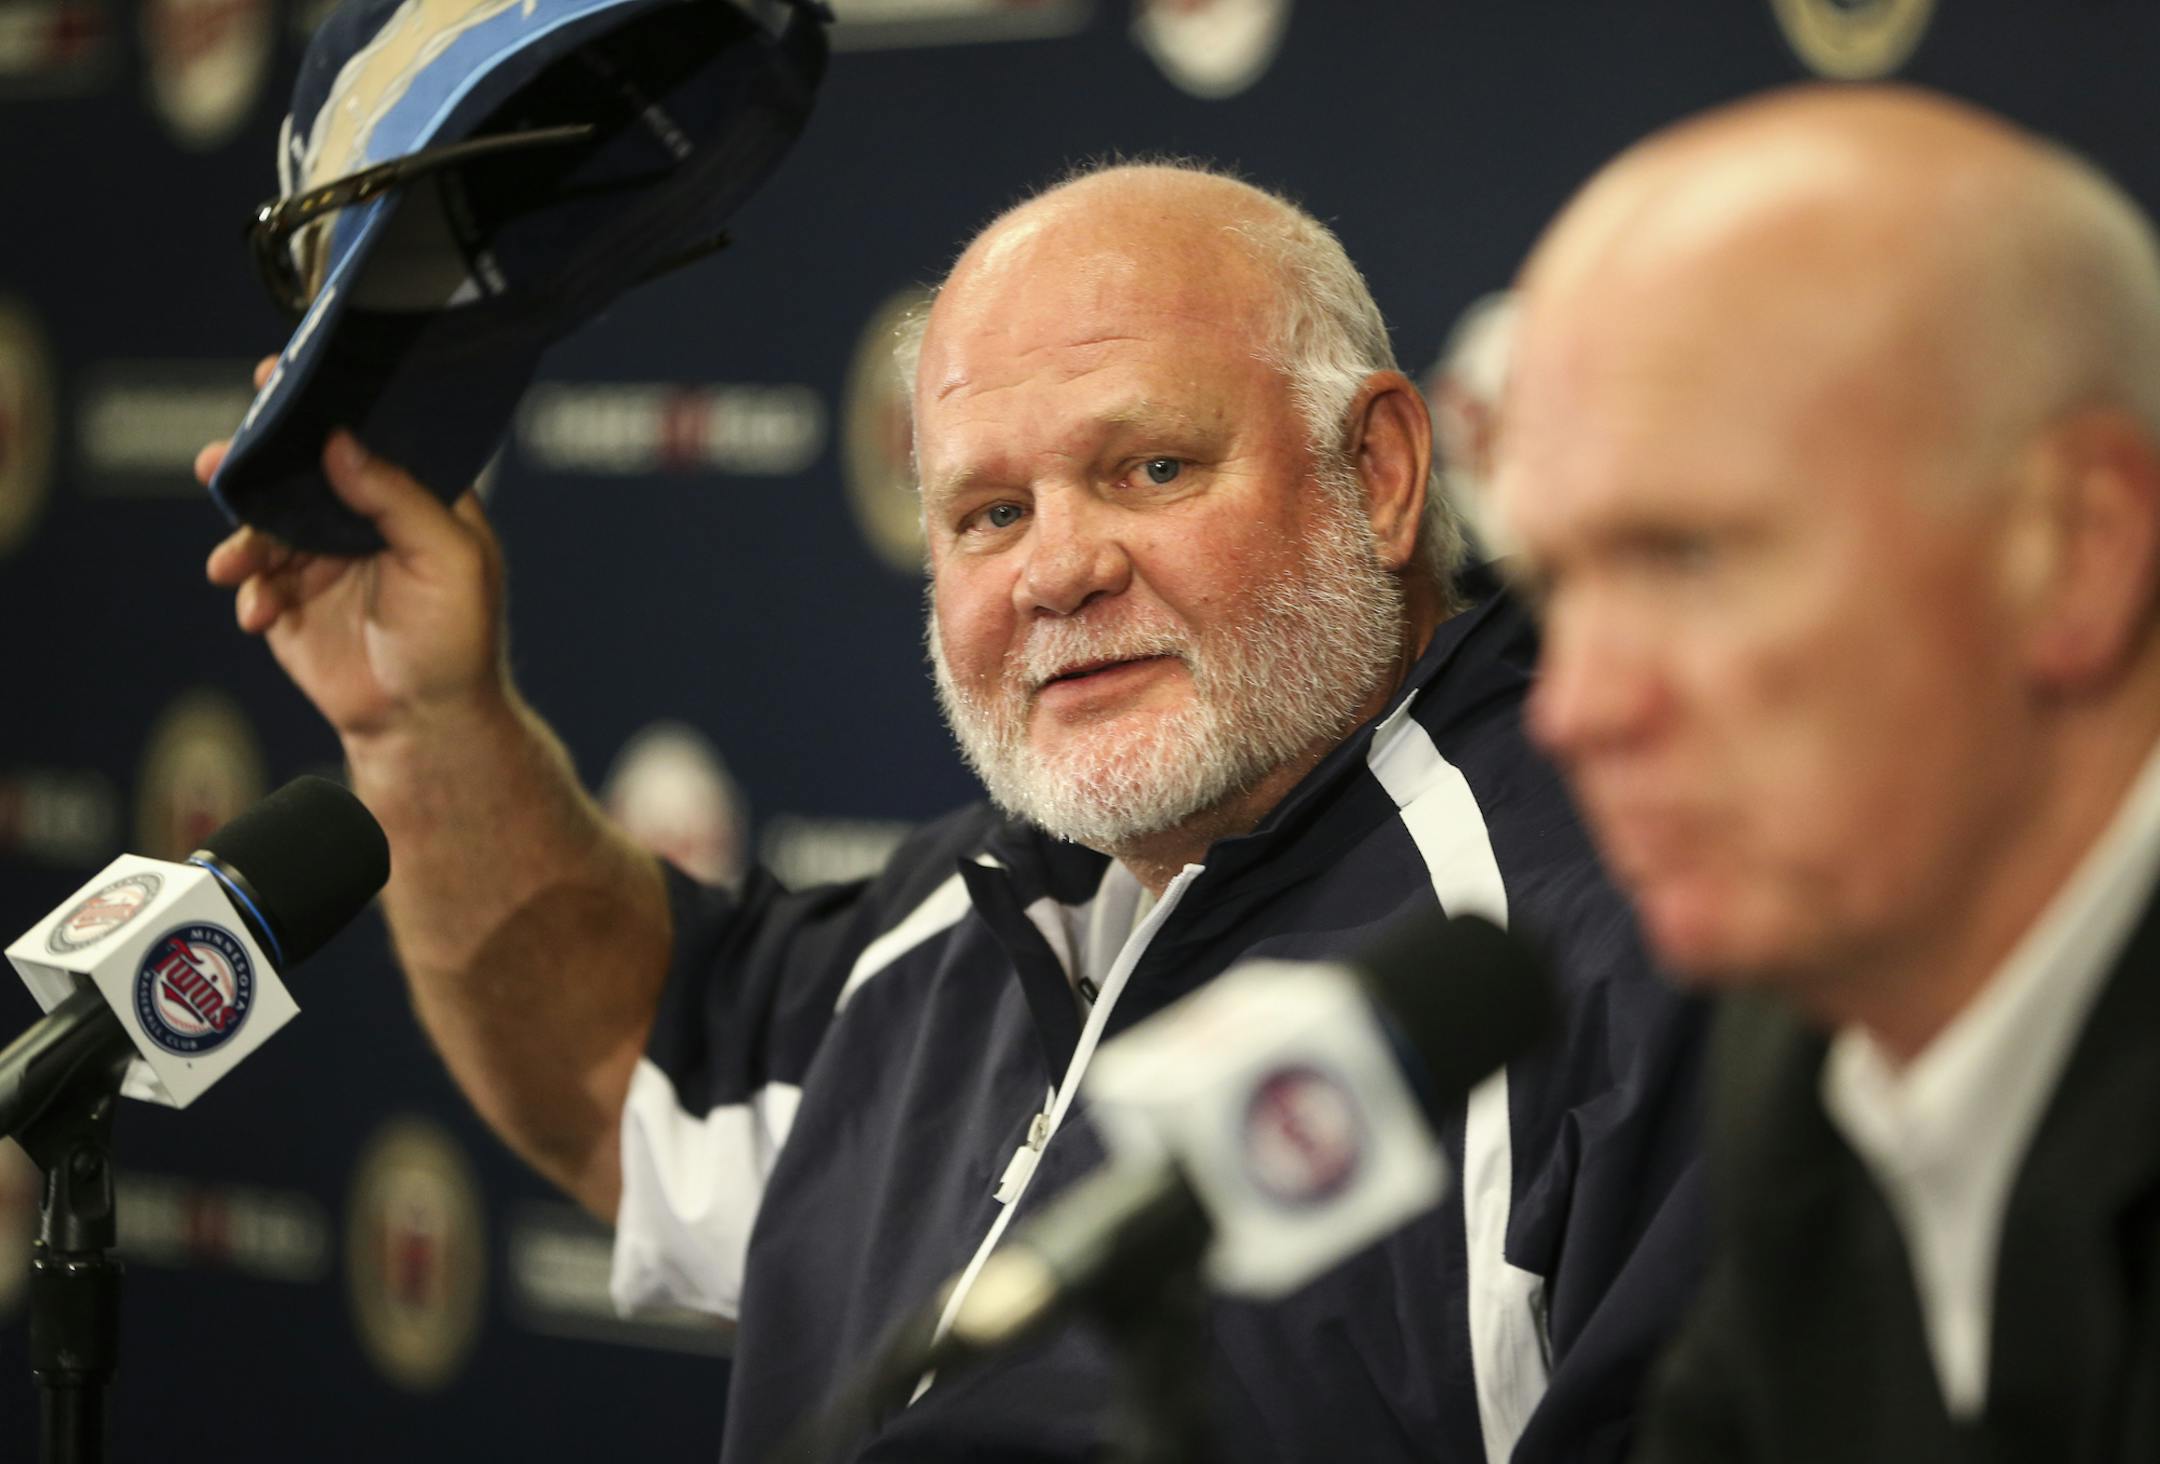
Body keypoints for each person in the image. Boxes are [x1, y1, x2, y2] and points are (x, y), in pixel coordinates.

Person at [201, 162, 1703, 1462]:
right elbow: (623, 1075)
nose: (1058, 570)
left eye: (1152, 467)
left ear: (1376, 471)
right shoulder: (985, 896)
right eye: (989, 514)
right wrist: (420, 715)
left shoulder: (1614, 949)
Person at [1494, 85, 2160, 1462]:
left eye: (1686, 557)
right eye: (1552, 587)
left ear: (2081, 550)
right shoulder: (1805, 1052)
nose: (1572, 708)